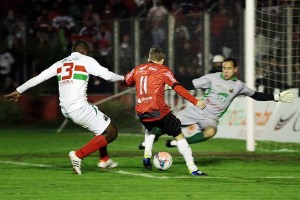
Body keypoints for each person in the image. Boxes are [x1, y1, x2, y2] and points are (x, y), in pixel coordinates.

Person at [5, 40, 124, 175]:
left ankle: (104, 159)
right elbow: (107, 75)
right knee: (111, 132)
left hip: (66, 110)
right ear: (84, 51)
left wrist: (19, 90)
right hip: (79, 107)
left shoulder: (60, 63)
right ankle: (79, 155)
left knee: (101, 125)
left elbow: (39, 78)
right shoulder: (86, 60)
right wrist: (124, 78)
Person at [138, 57, 295, 149]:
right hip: (196, 109)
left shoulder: (239, 86)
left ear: (235, 70)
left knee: (211, 132)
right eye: (224, 68)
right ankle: (150, 140)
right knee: (165, 127)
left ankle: (178, 143)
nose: (225, 71)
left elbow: (256, 95)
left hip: (211, 118)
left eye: (228, 68)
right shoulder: (212, 77)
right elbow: (190, 84)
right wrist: (170, 86)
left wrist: (277, 97)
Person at [121, 47, 207, 176]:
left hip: (141, 112)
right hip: (158, 110)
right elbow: (177, 87)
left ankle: (146, 155)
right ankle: (192, 168)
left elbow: (125, 82)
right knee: (178, 134)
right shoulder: (163, 70)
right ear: (162, 60)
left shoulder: (138, 69)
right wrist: (195, 101)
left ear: (149, 58)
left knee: (150, 127)